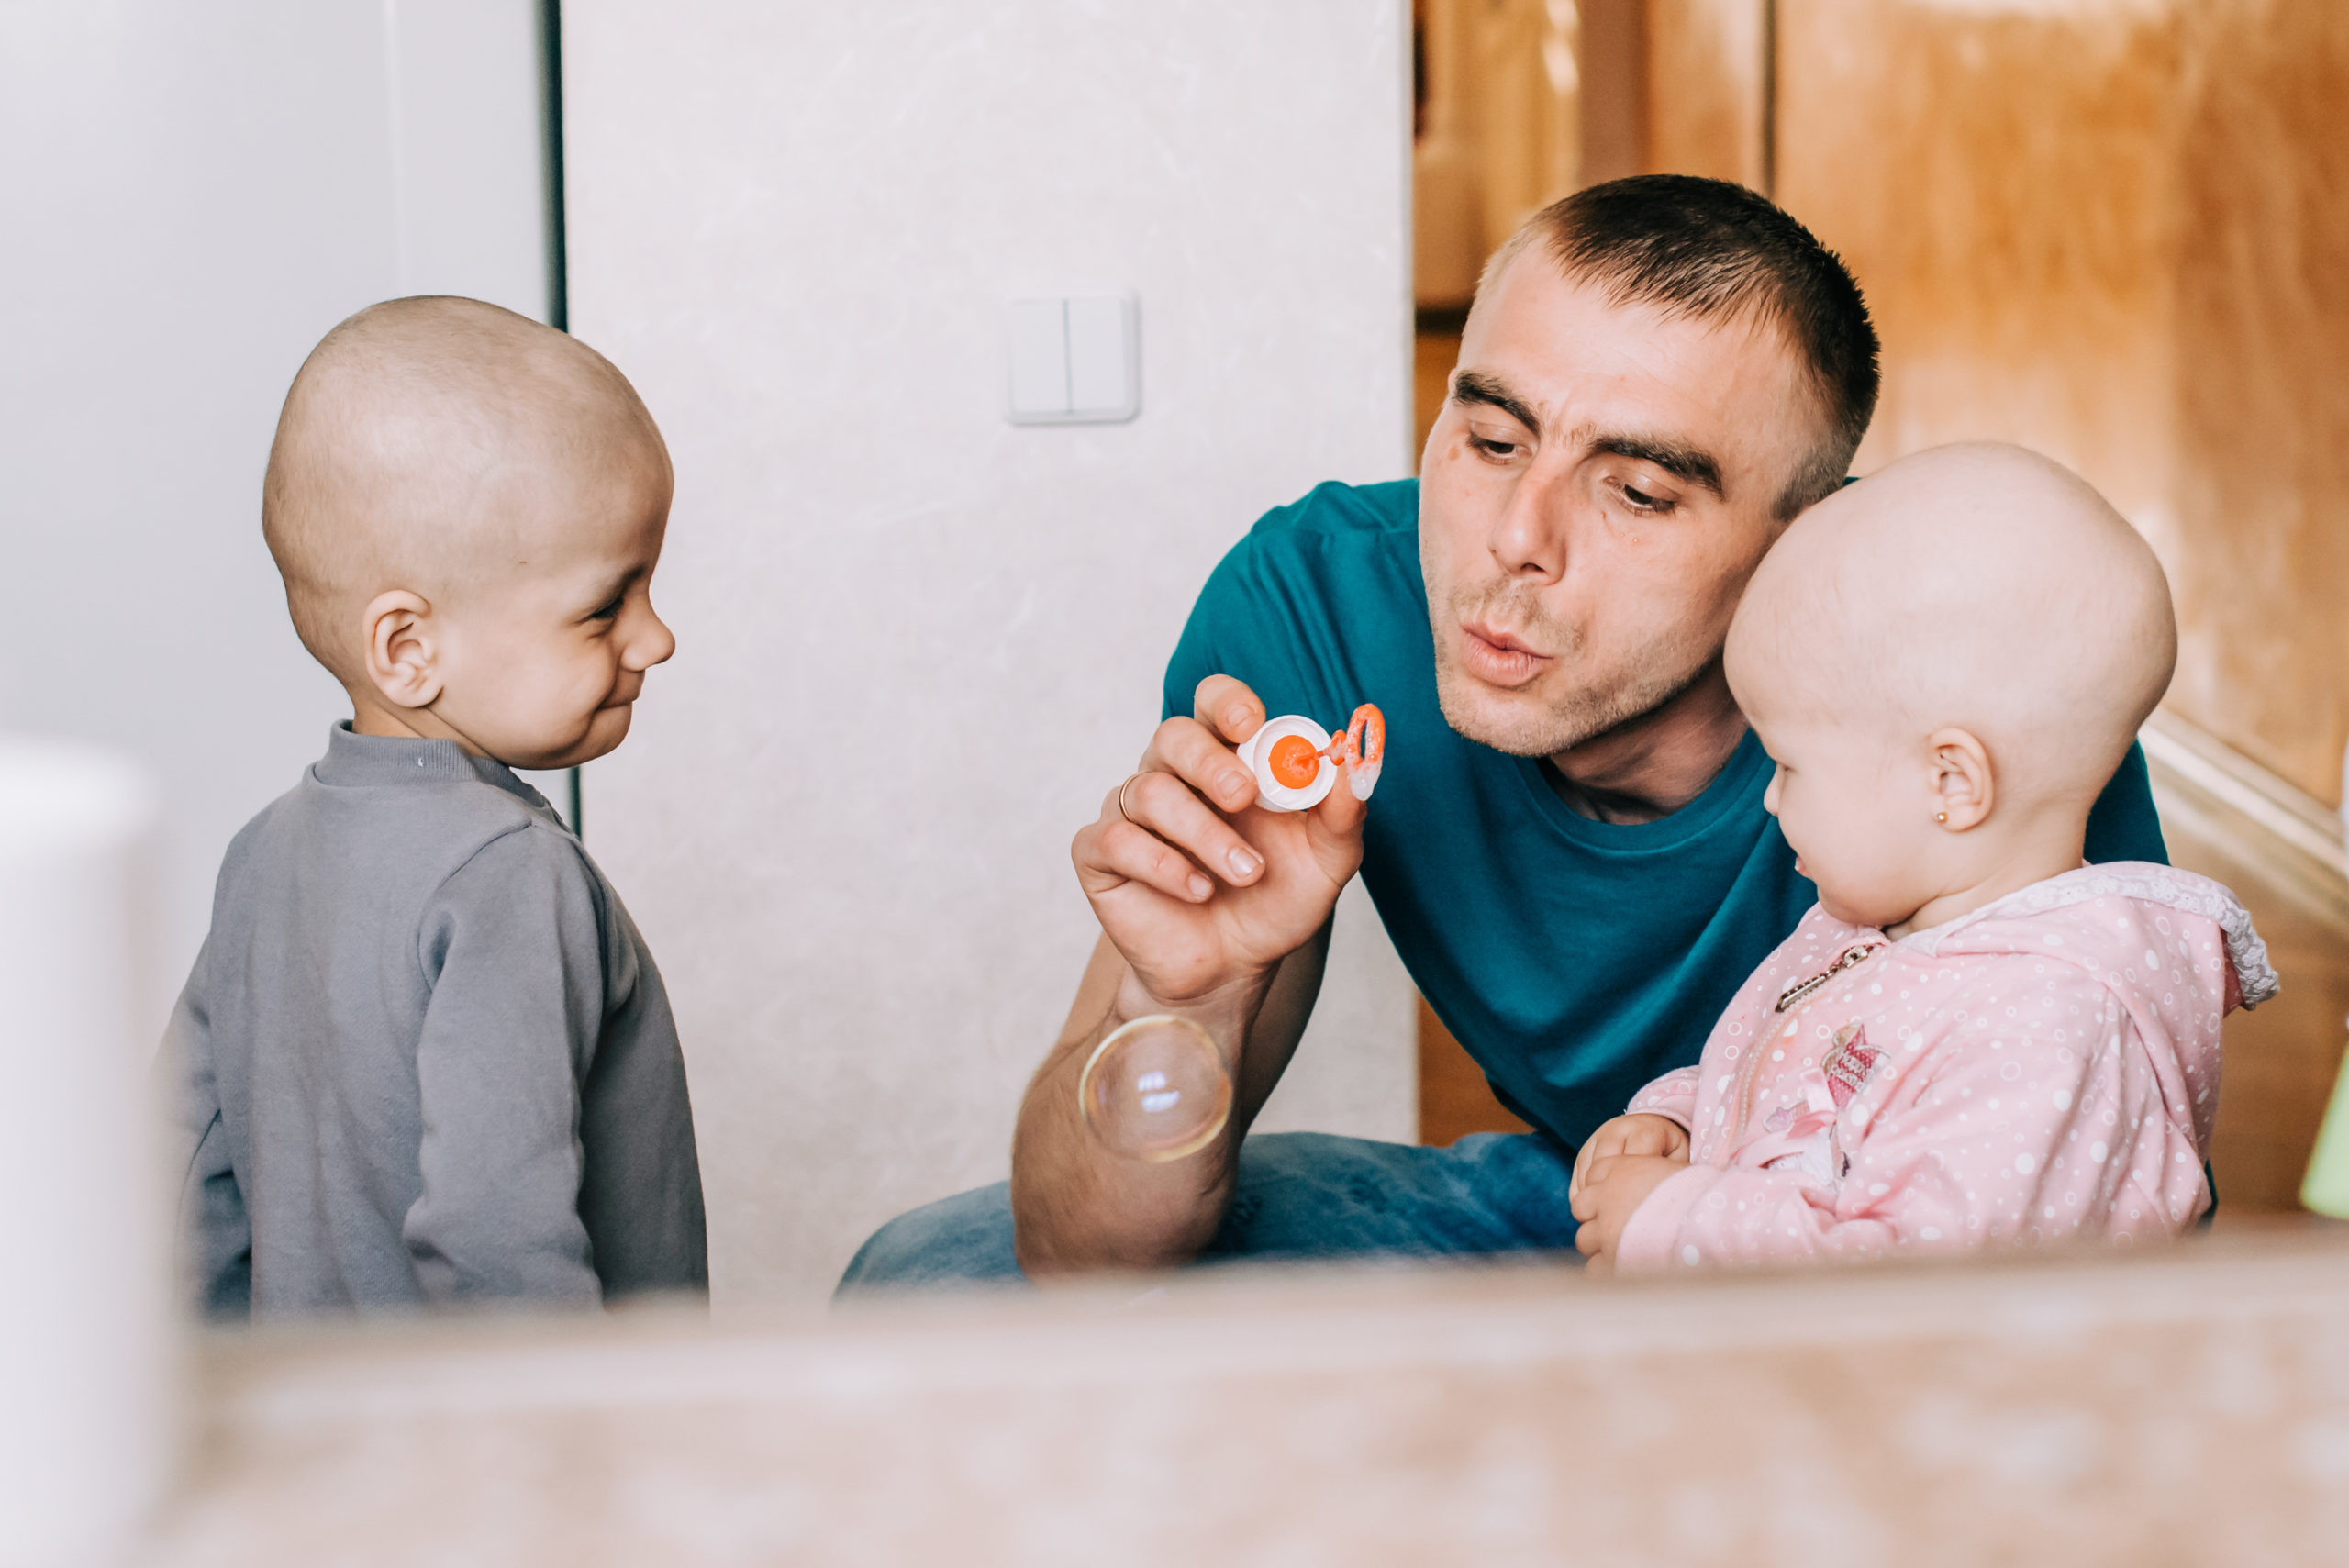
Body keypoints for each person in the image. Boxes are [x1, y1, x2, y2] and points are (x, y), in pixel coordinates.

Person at [838, 176, 2167, 1291]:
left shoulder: (1956, 676)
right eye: (1486, 439)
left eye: (1638, 492)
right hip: (1599, 1204)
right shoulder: (1318, 609)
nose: (1514, 544)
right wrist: (1188, 996)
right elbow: (1087, 1265)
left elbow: (2088, 1244)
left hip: (1882, 1269)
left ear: (1798, 546)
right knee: (938, 1277)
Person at [1567, 443, 2272, 1273]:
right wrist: (1683, 1123)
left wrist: (1681, 1223)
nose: (1767, 800)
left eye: (1788, 765)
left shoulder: (2047, 1028)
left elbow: (1914, 1287)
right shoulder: (1888, 928)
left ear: (1951, 781)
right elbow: (1810, 1097)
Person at [165, 296, 707, 1317]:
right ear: (408, 648)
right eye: (605, 606)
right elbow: (497, 1234)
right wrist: (558, 1461)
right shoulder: (509, 871)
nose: (656, 638)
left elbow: (185, 1184)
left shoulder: (262, 854)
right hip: (518, 1450)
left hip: (330, 1443)